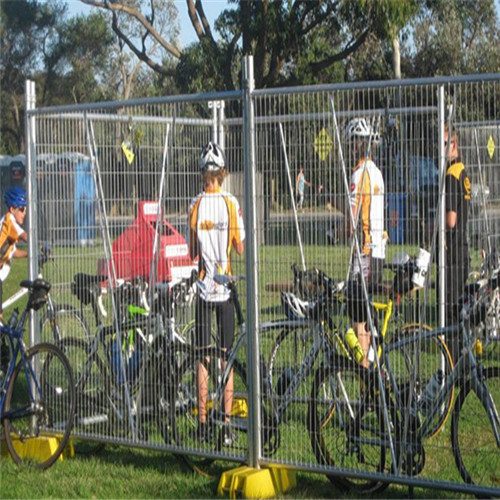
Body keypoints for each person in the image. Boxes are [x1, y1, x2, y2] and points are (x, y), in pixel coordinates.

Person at [187, 142, 245, 446]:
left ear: (202, 174)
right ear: (222, 173)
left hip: (202, 288)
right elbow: (240, 247)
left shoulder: (195, 204)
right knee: (227, 357)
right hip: (224, 288)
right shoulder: (231, 203)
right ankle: (225, 424)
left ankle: (201, 421)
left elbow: (192, 251)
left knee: (202, 357)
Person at [344, 118, 386, 369]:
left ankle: (365, 369)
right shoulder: (377, 172)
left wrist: (333, 232)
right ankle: (371, 366)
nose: (350, 148)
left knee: (356, 318)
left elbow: (352, 222)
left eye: (352, 143)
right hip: (379, 252)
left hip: (366, 254)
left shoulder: (358, 175)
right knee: (365, 314)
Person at [444, 125, 471, 362]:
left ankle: (451, 359)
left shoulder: (452, 174)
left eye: (443, 144)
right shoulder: (463, 171)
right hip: (464, 248)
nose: (439, 150)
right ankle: (462, 354)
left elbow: (450, 220)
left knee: (450, 310)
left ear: (453, 144)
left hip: (453, 252)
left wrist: (431, 227)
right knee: (458, 309)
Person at [0, 187, 28, 324]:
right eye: (22, 209)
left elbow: (13, 252)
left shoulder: (8, 229)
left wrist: (30, 254)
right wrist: (41, 245)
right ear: (12, 209)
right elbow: (25, 237)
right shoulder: (9, 220)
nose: (25, 213)